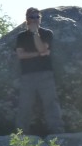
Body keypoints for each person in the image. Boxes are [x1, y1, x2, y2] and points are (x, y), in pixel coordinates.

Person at [15, 7, 65, 135]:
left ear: (41, 19)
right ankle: (21, 134)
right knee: (25, 105)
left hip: (45, 74)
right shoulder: (21, 36)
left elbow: (43, 48)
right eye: (32, 17)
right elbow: (21, 55)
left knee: (51, 104)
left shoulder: (47, 33)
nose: (35, 20)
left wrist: (35, 34)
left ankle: (57, 133)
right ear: (27, 19)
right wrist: (39, 53)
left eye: (37, 17)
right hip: (27, 75)